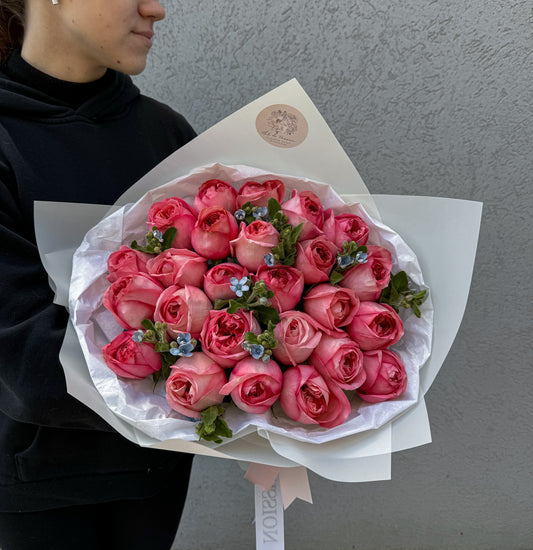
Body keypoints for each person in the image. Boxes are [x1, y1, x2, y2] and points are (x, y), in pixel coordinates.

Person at [0, 1, 197, 548]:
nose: (155, 8)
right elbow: (24, 362)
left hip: (154, 479)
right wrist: (203, 388)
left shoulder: (169, 135)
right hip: (36, 492)